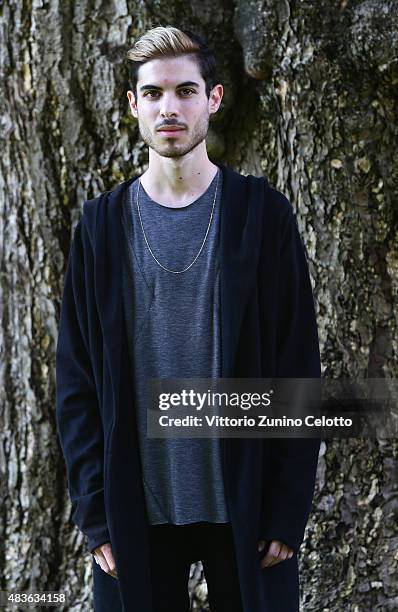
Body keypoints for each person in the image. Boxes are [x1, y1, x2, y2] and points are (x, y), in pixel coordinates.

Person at [56, 25, 321, 612]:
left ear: (213, 98)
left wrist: (285, 509)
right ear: (133, 105)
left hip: (246, 511)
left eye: (185, 90)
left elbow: (298, 361)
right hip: (136, 513)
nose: (168, 107)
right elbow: (76, 383)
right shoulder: (101, 228)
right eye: (152, 93)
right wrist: (98, 516)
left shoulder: (262, 216)